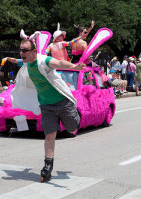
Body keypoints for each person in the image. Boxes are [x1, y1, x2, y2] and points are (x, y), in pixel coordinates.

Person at [11, 31, 86, 182]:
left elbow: (59, 63)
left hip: (63, 102)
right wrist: (7, 59)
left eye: (24, 50)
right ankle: (48, 166)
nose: (21, 53)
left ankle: (76, 116)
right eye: (20, 50)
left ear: (33, 51)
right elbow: (17, 61)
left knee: (72, 129)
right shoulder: (26, 63)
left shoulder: (43, 60)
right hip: (46, 105)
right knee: (49, 135)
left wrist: (74, 66)